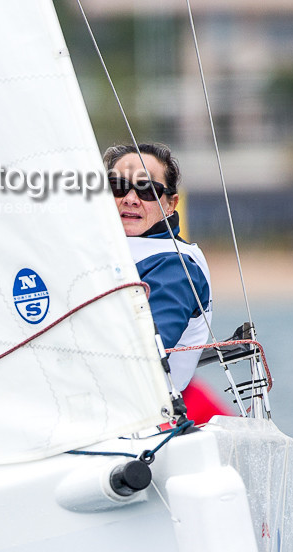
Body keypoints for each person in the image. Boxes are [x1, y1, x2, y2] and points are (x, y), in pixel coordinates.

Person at [104, 143, 211, 392]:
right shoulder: (91, 250)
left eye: (147, 190)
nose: (130, 199)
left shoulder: (176, 265)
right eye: (117, 187)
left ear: (170, 204)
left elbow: (144, 354)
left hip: (135, 414)